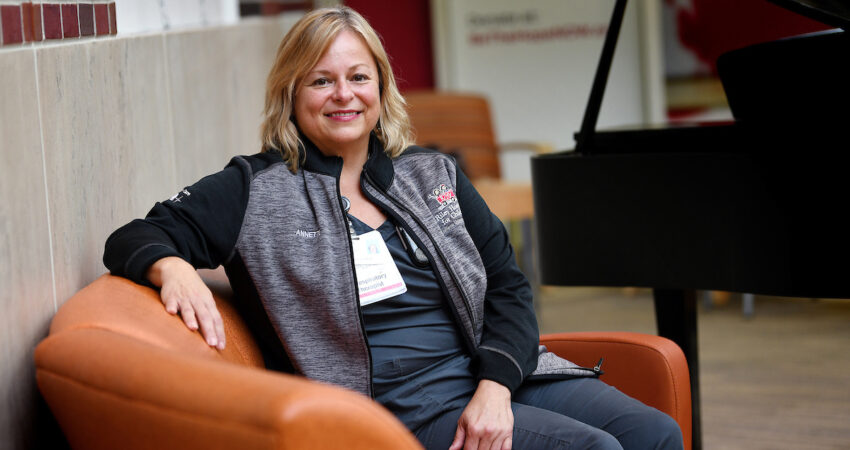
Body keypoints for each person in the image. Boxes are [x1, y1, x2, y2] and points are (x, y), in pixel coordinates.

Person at [103, 7, 683, 450]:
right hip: (401, 406)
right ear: (290, 93)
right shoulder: (254, 189)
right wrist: (171, 266)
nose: (344, 95)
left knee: (655, 433)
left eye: (358, 76)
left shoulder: (432, 173)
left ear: (381, 86)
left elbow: (508, 286)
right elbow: (135, 235)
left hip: (491, 373)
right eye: (321, 81)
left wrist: (495, 386)